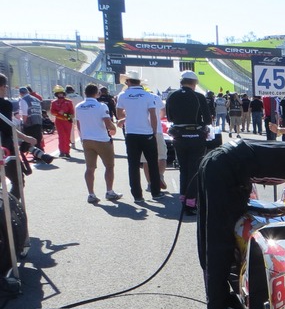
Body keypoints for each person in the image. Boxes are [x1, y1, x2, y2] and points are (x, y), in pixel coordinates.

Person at [197, 140, 285, 309]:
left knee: (212, 231)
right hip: (225, 168)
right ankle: (217, 307)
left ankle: (220, 298)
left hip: (218, 161)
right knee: (220, 237)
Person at [165, 70, 212, 216]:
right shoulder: (198, 96)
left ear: (181, 82)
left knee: (183, 169)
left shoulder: (172, 96)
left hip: (179, 136)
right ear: (195, 83)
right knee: (194, 170)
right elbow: (208, 120)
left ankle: (183, 198)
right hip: (196, 135)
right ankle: (191, 202)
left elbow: (170, 117)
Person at [116, 71, 162, 204]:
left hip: (131, 133)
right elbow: (153, 115)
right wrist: (153, 132)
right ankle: (156, 193)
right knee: (152, 164)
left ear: (129, 82)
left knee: (133, 165)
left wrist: (128, 116)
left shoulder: (123, 95)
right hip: (147, 133)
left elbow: (119, 114)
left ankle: (137, 195)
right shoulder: (148, 95)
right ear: (139, 82)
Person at [75, 83, 121, 204]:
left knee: (90, 168)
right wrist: (114, 129)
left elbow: (78, 124)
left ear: (85, 93)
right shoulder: (101, 106)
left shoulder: (79, 106)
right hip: (102, 139)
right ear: (97, 93)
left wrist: (82, 137)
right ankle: (109, 191)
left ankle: (91, 194)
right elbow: (107, 122)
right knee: (109, 166)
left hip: (87, 140)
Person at [0, 74, 40, 198]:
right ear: (2, 87)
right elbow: (7, 128)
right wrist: (26, 138)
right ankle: (7, 211)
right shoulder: (5, 105)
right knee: (17, 181)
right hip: (4, 148)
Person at [49, 85, 75, 158]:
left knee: (67, 137)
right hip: (59, 121)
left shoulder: (69, 102)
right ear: (56, 94)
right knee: (61, 136)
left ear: (64, 93)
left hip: (67, 121)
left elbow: (72, 114)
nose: (60, 94)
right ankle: (62, 151)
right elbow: (52, 111)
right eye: (58, 93)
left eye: (61, 93)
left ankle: (67, 152)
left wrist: (64, 114)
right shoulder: (54, 102)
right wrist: (59, 114)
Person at [17, 87, 44, 155]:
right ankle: (41, 155)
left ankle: (36, 154)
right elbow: (40, 112)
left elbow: (25, 114)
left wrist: (23, 123)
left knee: (30, 139)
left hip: (30, 123)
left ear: (20, 93)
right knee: (38, 139)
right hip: (38, 121)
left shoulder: (23, 100)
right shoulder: (36, 99)